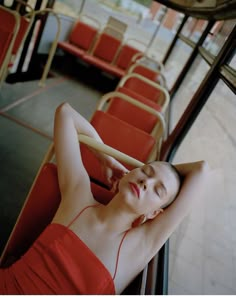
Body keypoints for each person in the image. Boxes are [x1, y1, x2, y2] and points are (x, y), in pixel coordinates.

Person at [0, 103, 209, 295]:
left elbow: (201, 170)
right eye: (146, 171)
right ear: (130, 172)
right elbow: (66, 114)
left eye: (158, 190)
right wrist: (104, 158)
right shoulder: (78, 197)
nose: (147, 182)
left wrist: (165, 170)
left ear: (155, 213)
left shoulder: (141, 245)